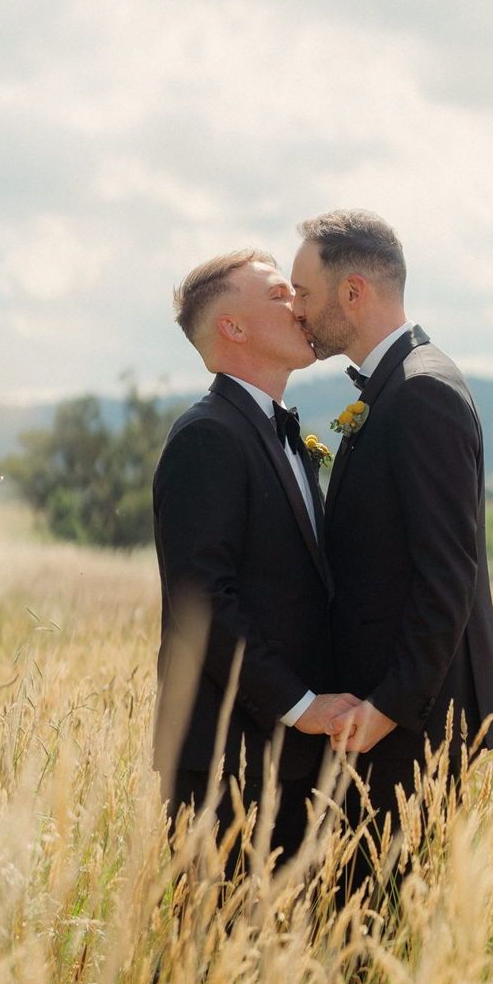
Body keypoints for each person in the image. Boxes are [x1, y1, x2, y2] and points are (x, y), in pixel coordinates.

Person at [291, 210, 493, 882]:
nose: (296, 309)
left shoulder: (421, 393)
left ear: (352, 292)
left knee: (380, 912)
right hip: (388, 712)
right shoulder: (399, 383)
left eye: (303, 292)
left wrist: (388, 709)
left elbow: (446, 576)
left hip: (412, 722)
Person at [152, 247, 359, 873]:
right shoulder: (207, 437)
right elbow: (203, 606)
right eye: (278, 294)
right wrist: (302, 705)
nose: (299, 304)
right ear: (232, 327)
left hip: (294, 763)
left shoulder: (279, 433)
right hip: (228, 764)